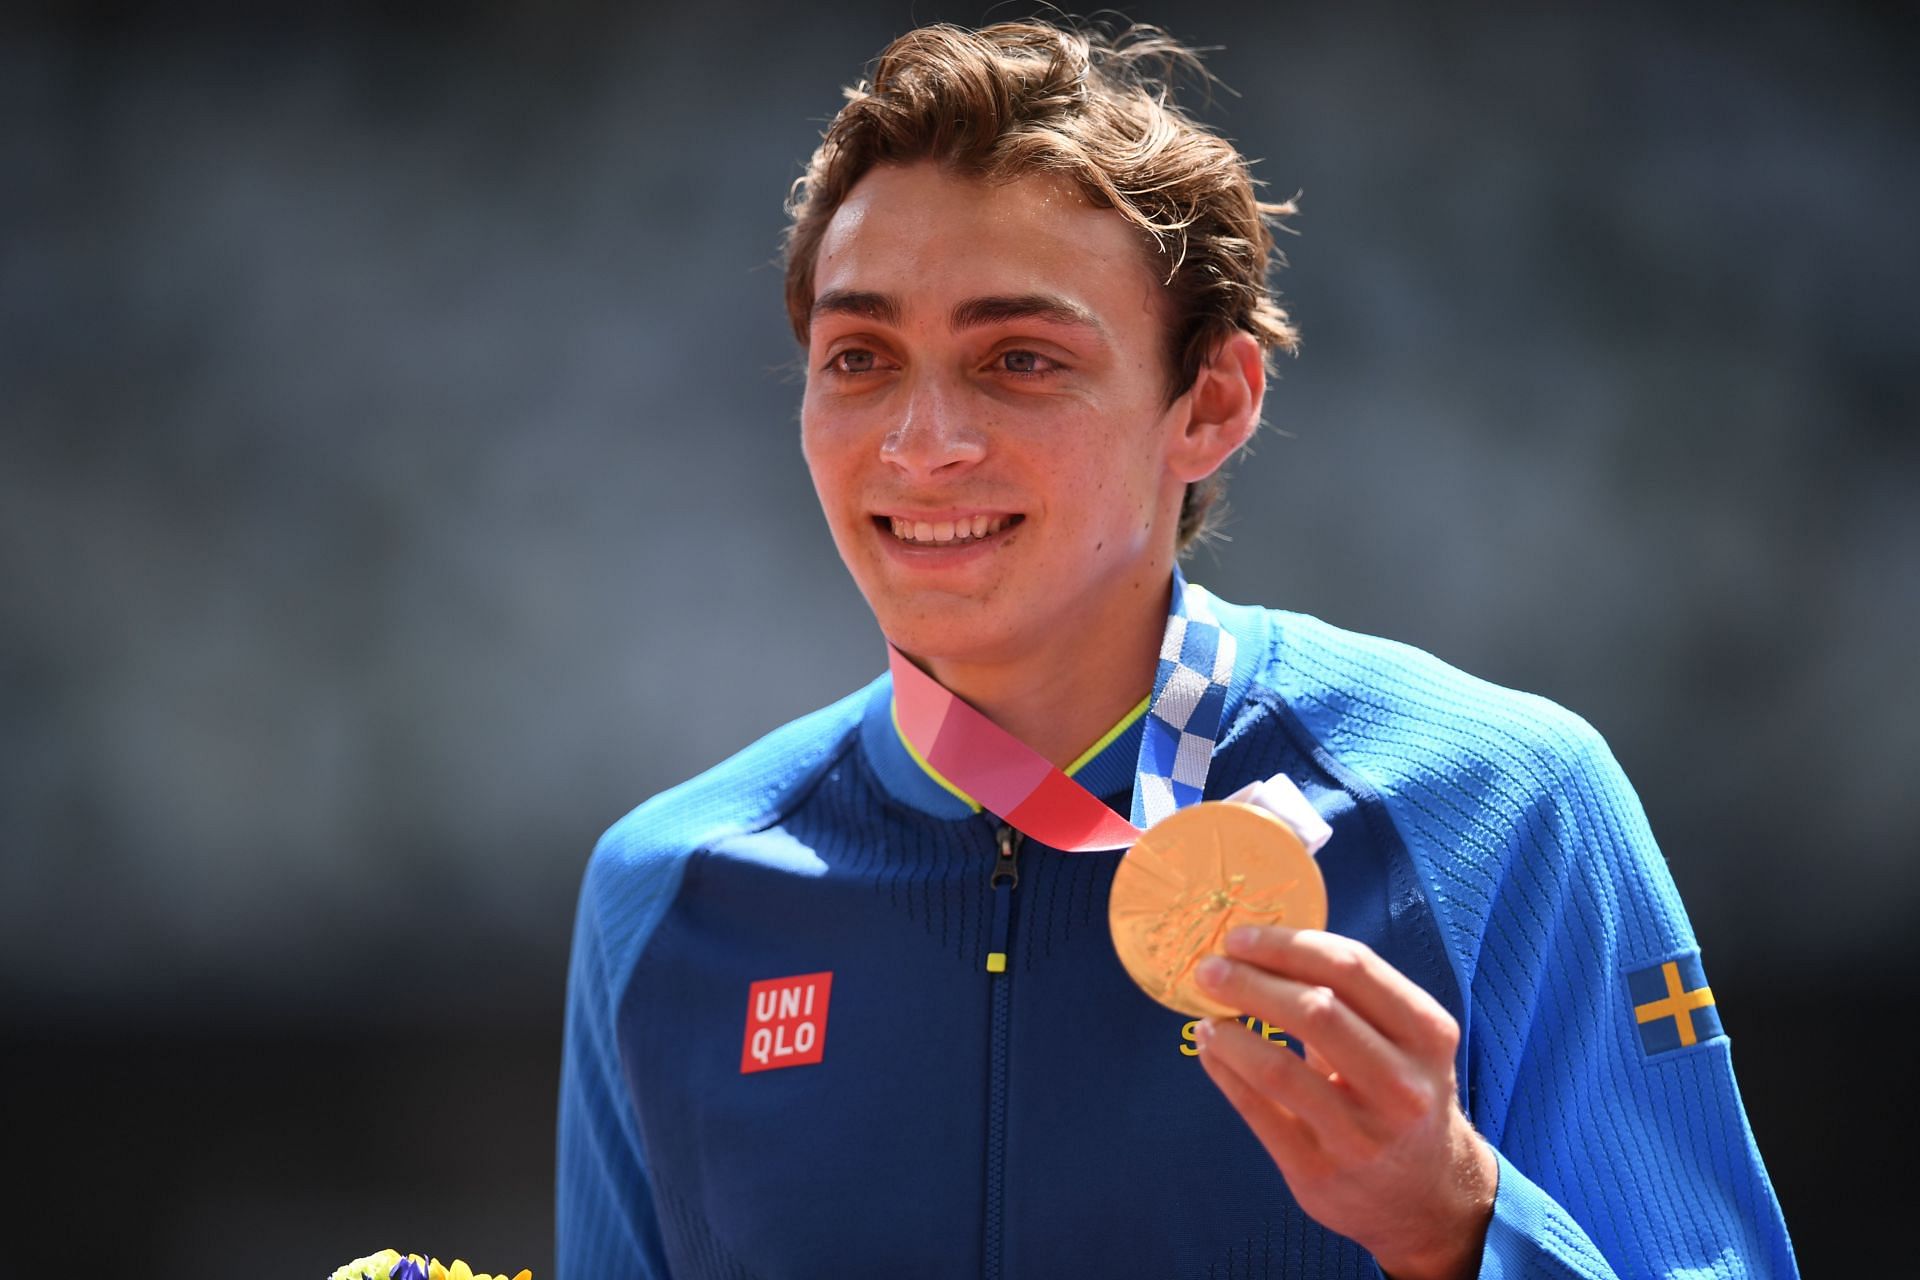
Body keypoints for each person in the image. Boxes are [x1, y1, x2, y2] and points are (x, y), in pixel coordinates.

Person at [557, 18, 1796, 1279]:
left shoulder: (1499, 807)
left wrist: (1460, 1226)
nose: (921, 442)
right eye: (860, 357)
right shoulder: (666, 894)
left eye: (1019, 359)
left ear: (1210, 403)